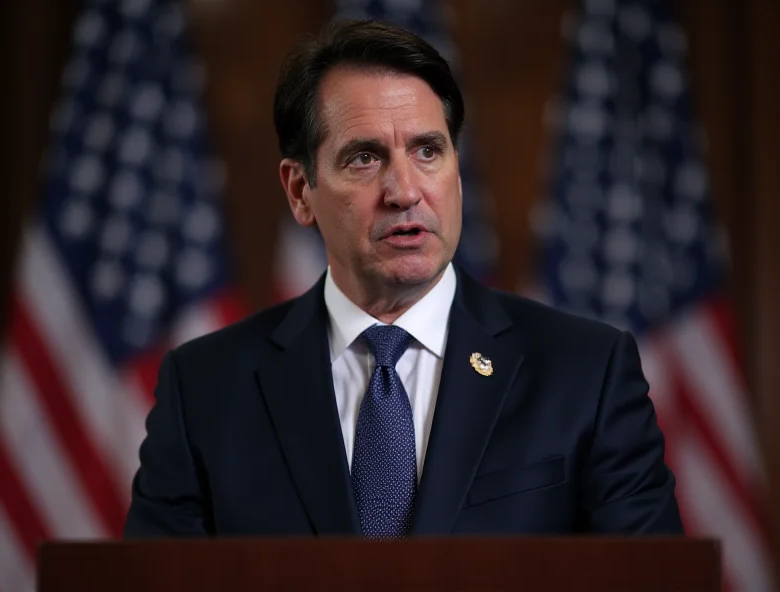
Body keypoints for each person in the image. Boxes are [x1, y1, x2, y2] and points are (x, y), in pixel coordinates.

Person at [124, 19, 683, 538]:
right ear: (300, 192)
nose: (405, 191)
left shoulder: (588, 373)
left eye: (427, 150)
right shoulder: (203, 390)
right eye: (364, 158)